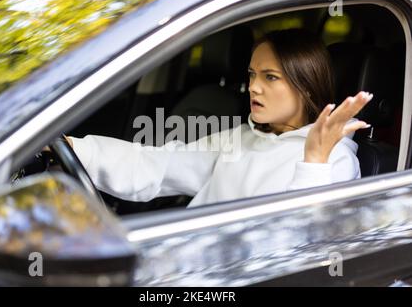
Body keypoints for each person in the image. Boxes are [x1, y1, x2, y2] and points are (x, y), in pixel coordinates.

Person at [66, 29, 372, 208]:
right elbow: (154, 165)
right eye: (252, 74)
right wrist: (73, 148)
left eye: (270, 77)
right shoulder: (242, 138)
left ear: (305, 86)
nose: (253, 86)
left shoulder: (337, 160)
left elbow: (304, 249)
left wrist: (314, 160)